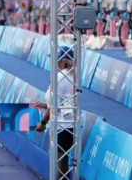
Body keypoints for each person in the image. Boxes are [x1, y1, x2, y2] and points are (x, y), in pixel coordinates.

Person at [32, 45, 76, 180]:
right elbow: (61, 102)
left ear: (62, 61)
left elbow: (55, 106)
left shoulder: (60, 78)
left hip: (62, 124)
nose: (54, 63)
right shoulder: (71, 76)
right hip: (69, 123)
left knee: (60, 162)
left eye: (56, 60)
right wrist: (45, 105)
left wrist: (42, 122)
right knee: (63, 161)